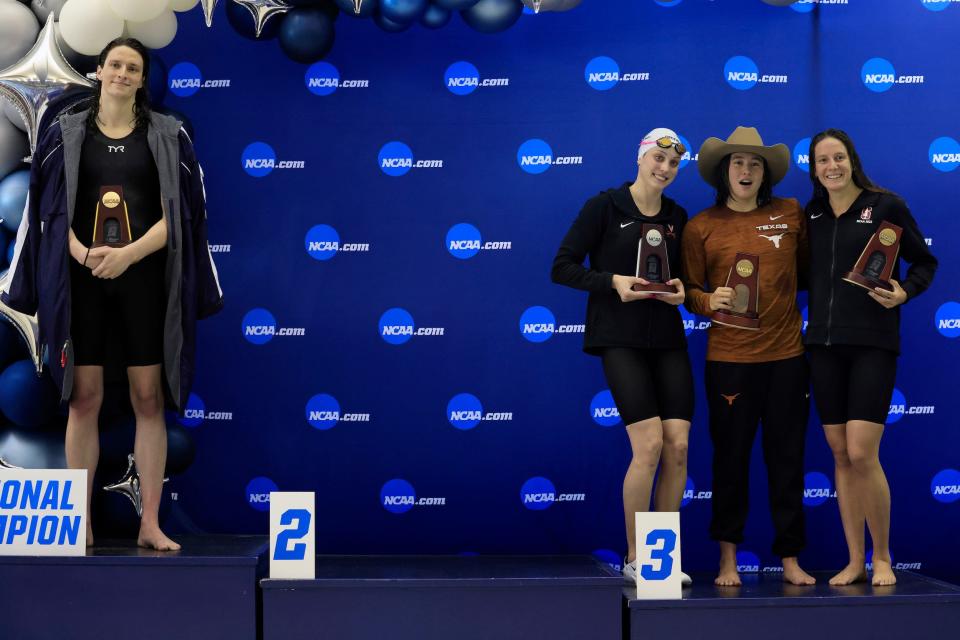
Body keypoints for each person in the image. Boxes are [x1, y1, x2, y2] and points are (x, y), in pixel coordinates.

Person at [2, 38, 223, 550]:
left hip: (145, 284)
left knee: (150, 400)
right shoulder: (65, 132)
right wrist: (81, 254)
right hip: (82, 287)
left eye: (133, 67)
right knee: (84, 400)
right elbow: (47, 212)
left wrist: (128, 255)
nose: (123, 73)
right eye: (115, 65)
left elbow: (184, 218)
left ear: (143, 79)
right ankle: (79, 522)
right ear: (99, 72)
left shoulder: (170, 135)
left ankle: (149, 523)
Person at [552, 128, 693, 585]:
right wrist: (612, 282)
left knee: (678, 447)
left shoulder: (678, 216)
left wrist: (681, 292)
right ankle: (638, 558)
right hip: (619, 339)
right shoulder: (605, 206)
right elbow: (563, 266)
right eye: (658, 159)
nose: (664, 169)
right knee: (649, 445)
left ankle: (663, 561)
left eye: (673, 164)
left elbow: (685, 281)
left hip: (668, 340)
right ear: (640, 157)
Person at [681, 126, 814, 587]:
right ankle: (727, 561)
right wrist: (706, 301)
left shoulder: (791, 213)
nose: (746, 170)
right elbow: (690, 293)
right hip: (729, 361)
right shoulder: (700, 226)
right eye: (738, 162)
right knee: (730, 461)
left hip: (787, 359)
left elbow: (813, 272)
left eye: (755, 163)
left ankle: (791, 559)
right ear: (723, 170)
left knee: (787, 461)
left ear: (766, 173)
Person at [805, 129, 937, 587]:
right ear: (814, 169)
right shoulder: (813, 214)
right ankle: (854, 559)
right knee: (840, 455)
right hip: (821, 347)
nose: (831, 166)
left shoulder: (887, 206)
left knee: (863, 452)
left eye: (837, 157)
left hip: (872, 344)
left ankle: (883, 557)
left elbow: (924, 262)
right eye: (822, 160)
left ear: (852, 160)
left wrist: (906, 291)